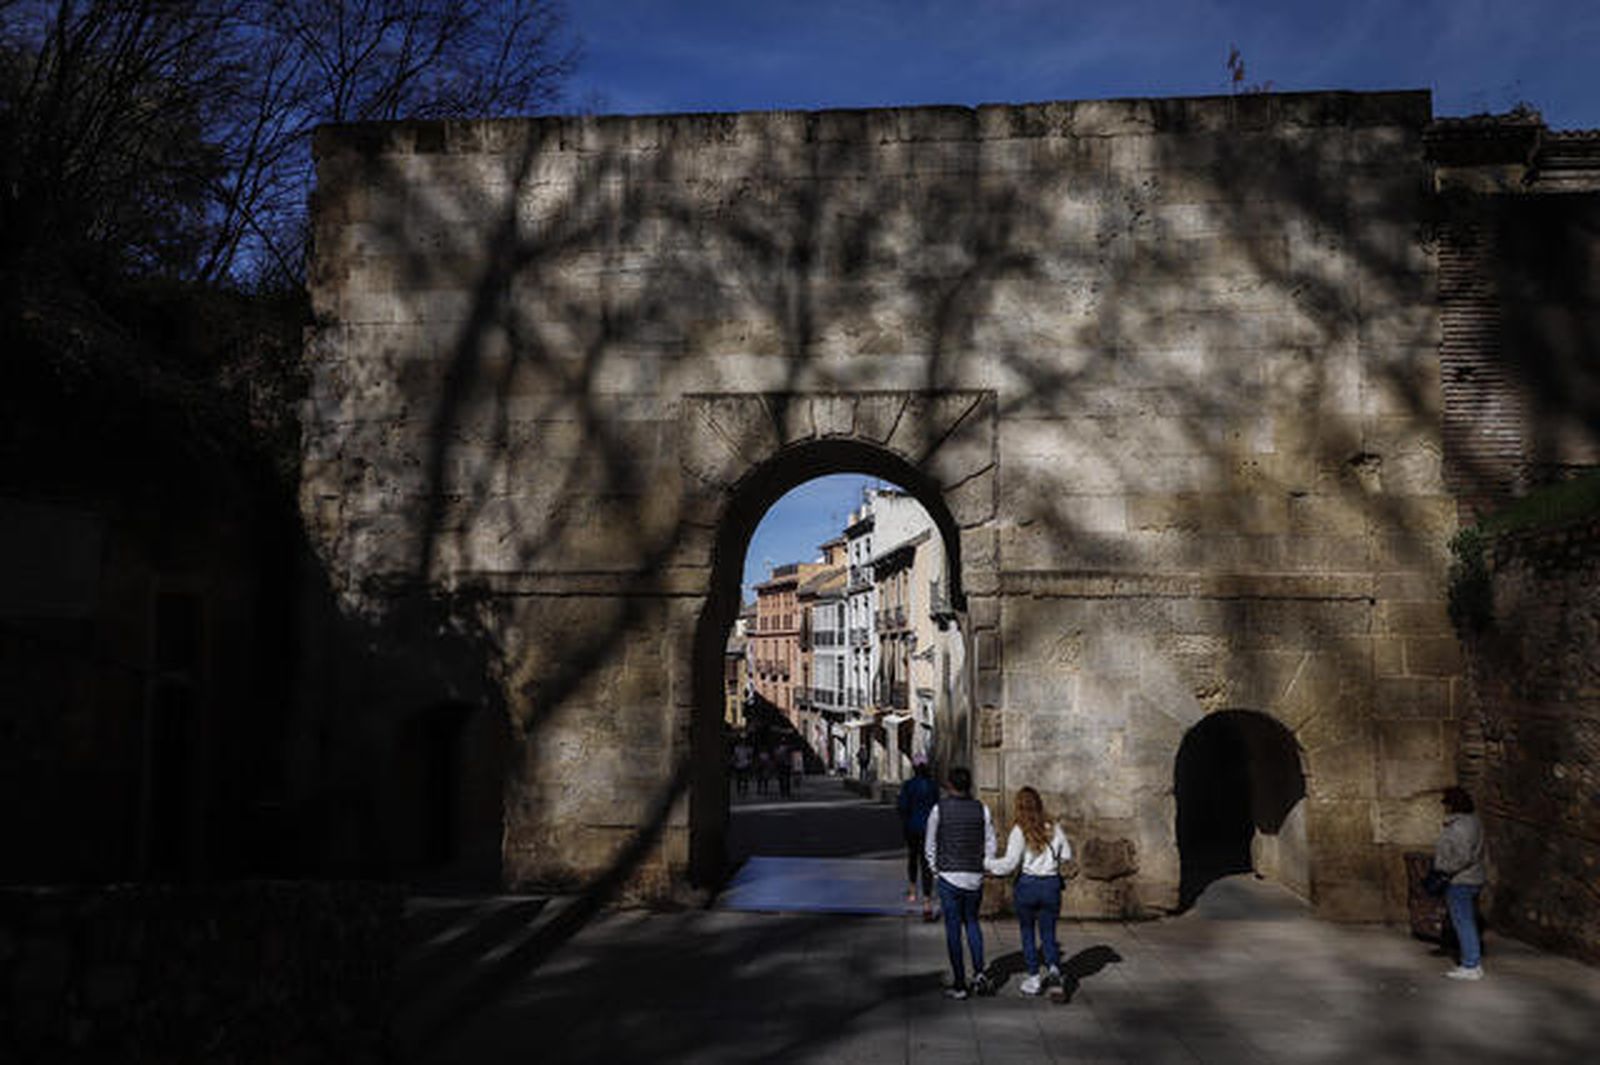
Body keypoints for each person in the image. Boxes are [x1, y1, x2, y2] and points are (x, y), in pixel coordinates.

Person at [985, 786, 1071, 996]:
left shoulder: (1019, 830)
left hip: (1028, 886)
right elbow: (1067, 855)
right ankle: (1054, 971)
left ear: (1019, 806)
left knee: (1027, 932)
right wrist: (1050, 862)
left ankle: (1033, 978)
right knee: (1049, 933)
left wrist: (986, 862)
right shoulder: (1054, 827)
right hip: (1051, 885)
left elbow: (1009, 864)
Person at [924, 766, 996, 999]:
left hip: (949, 876)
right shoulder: (982, 810)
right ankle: (979, 974)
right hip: (974, 876)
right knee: (973, 924)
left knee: (953, 930)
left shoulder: (939, 810)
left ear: (949, 785)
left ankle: (959, 983)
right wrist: (984, 865)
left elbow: (930, 844)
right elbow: (990, 842)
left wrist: (936, 869)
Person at [1435, 785, 1487, 980]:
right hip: (1473, 877)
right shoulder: (1474, 822)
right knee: (1466, 920)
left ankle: (1471, 964)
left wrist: (1445, 870)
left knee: (1463, 922)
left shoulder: (1459, 826)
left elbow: (1463, 857)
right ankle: (1472, 962)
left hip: (1461, 879)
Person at [895, 753, 939, 921]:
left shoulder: (908, 785)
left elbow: (902, 806)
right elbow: (937, 806)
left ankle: (913, 890)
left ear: (914, 768)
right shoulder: (932, 785)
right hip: (929, 828)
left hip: (912, 827)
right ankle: (927, 900)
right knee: (927, 861)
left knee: (913, 858)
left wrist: (905, 820)